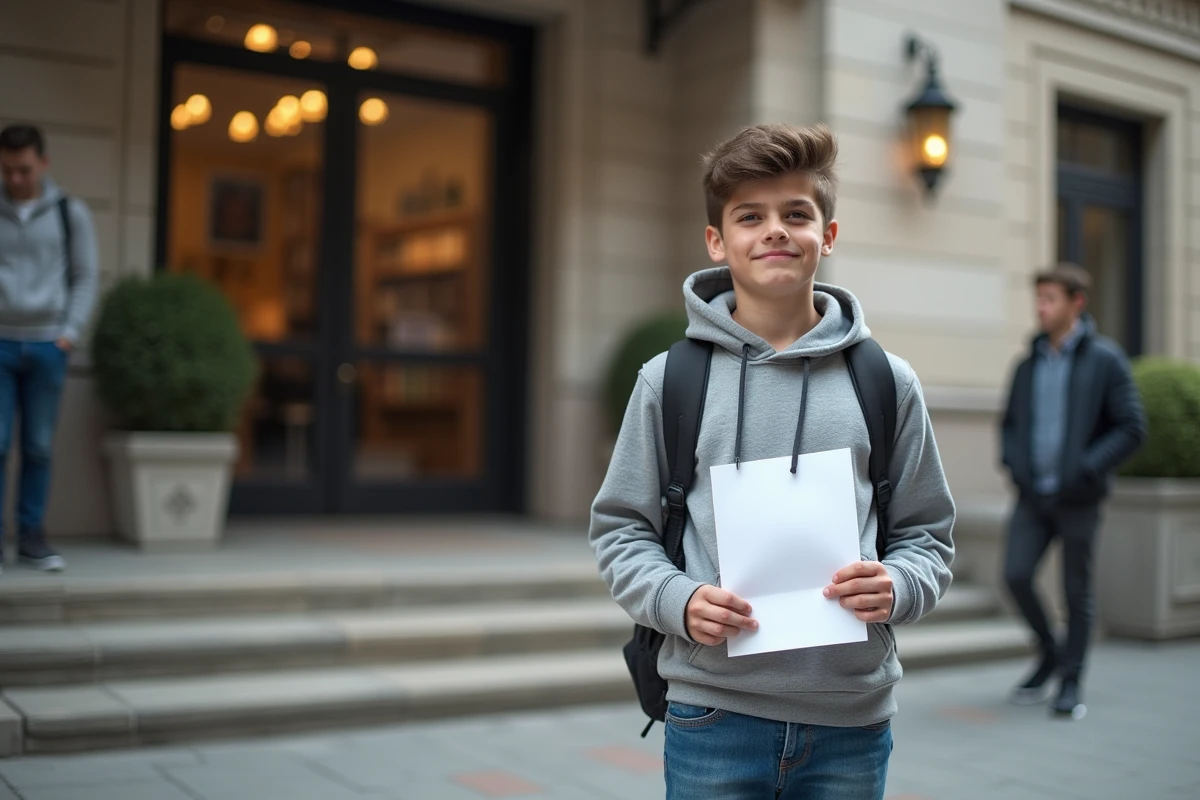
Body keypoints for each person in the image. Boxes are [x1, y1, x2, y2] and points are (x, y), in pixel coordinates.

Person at [589, 123, 955, 800]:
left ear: (828, 235)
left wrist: (900, 584)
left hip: (852, 720)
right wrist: (678, 600)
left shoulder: (886, 382)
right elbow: (621, 530)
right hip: (712, 716)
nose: (775, 231)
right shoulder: (669, 381)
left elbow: (926, 534)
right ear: (717, 241)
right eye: (750, 217)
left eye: (796, 214)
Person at [1000, 263, 1145, 719]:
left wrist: (1087, 468)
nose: (1041, 308)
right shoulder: (1027, 364)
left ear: (1076, 303)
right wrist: (1016, 466)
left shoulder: (1106, 359)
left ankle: (1070, 681)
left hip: (1079, 496)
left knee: (1076, 592)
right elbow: (1010, 425)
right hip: (1033, 495)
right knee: (1016, 575)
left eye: (1050, 299)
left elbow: (1131, 427)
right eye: (1038, 299)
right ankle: (1051, 652)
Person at [0, 124, 99, 573]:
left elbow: (85, 276)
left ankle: (31, 537)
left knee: (38, 446)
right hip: (2, 342)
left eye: (23, 169)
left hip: (47, 344)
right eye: (7, 170)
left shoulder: (68, 212)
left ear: (43, 162)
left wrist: (69, 333)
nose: (15, 179)